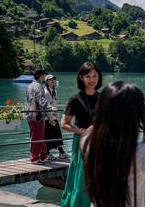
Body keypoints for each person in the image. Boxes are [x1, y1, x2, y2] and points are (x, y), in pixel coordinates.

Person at [60, 62, 102, 207]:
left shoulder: (103, 98)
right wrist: (82, 131)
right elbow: (64, 123)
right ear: (81, 78)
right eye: (88, 76)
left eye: (95, 76)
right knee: (81, 177)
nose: (92, 79)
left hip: (100, 141)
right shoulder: (75, 99)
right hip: (82, 141)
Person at [25, 69, 53, 165]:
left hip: (31, 114)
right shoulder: (38, 86)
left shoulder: (30, 85)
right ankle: (35, 158)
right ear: (40, 76)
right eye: (44, 75)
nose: (45, 77)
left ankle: (43, 156)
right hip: (36, 115)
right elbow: (40, 100)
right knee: (36, 137)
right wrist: (50, 108)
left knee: (39, 135)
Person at [44, 74, 70, 160]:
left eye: (54, 79)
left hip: (54, 116)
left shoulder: (54, 91)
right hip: (47, 117)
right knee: (48, 135)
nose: (53, 81)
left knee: (57, 133)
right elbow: (45, 104)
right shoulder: (45, 91)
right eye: (51, 79)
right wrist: (51, 110)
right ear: (46, 81)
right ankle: (47, 153)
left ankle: (61, 152)